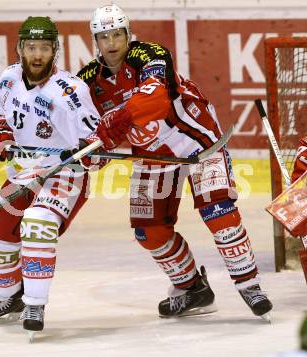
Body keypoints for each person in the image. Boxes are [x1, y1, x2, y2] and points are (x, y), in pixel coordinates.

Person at [77, 4, 273, 319]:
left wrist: (120, 120)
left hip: (197, 143)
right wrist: (87, 155)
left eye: (117, 34)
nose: (112, 42)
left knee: (218, 211)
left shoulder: (150, 55)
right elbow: (88, 136)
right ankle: (192, 288)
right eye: (104, 36)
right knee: (148, 231)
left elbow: (155, 99)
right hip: (152, 156)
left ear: (129, 35)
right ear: (95, 42)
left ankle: (250, 286)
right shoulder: (87, 82)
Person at [0, 16, 104, 338]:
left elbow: (97, 147)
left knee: (38, 224)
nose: (36, 54)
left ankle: (34, 301)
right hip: (23, 173)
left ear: (55, 51)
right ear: (20, 48)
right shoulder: (9, 78)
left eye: (44, 48)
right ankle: (7, 298)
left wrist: (87, 151)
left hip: (64, 174)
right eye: (31, 47)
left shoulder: (71, 91)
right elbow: (4, 118)